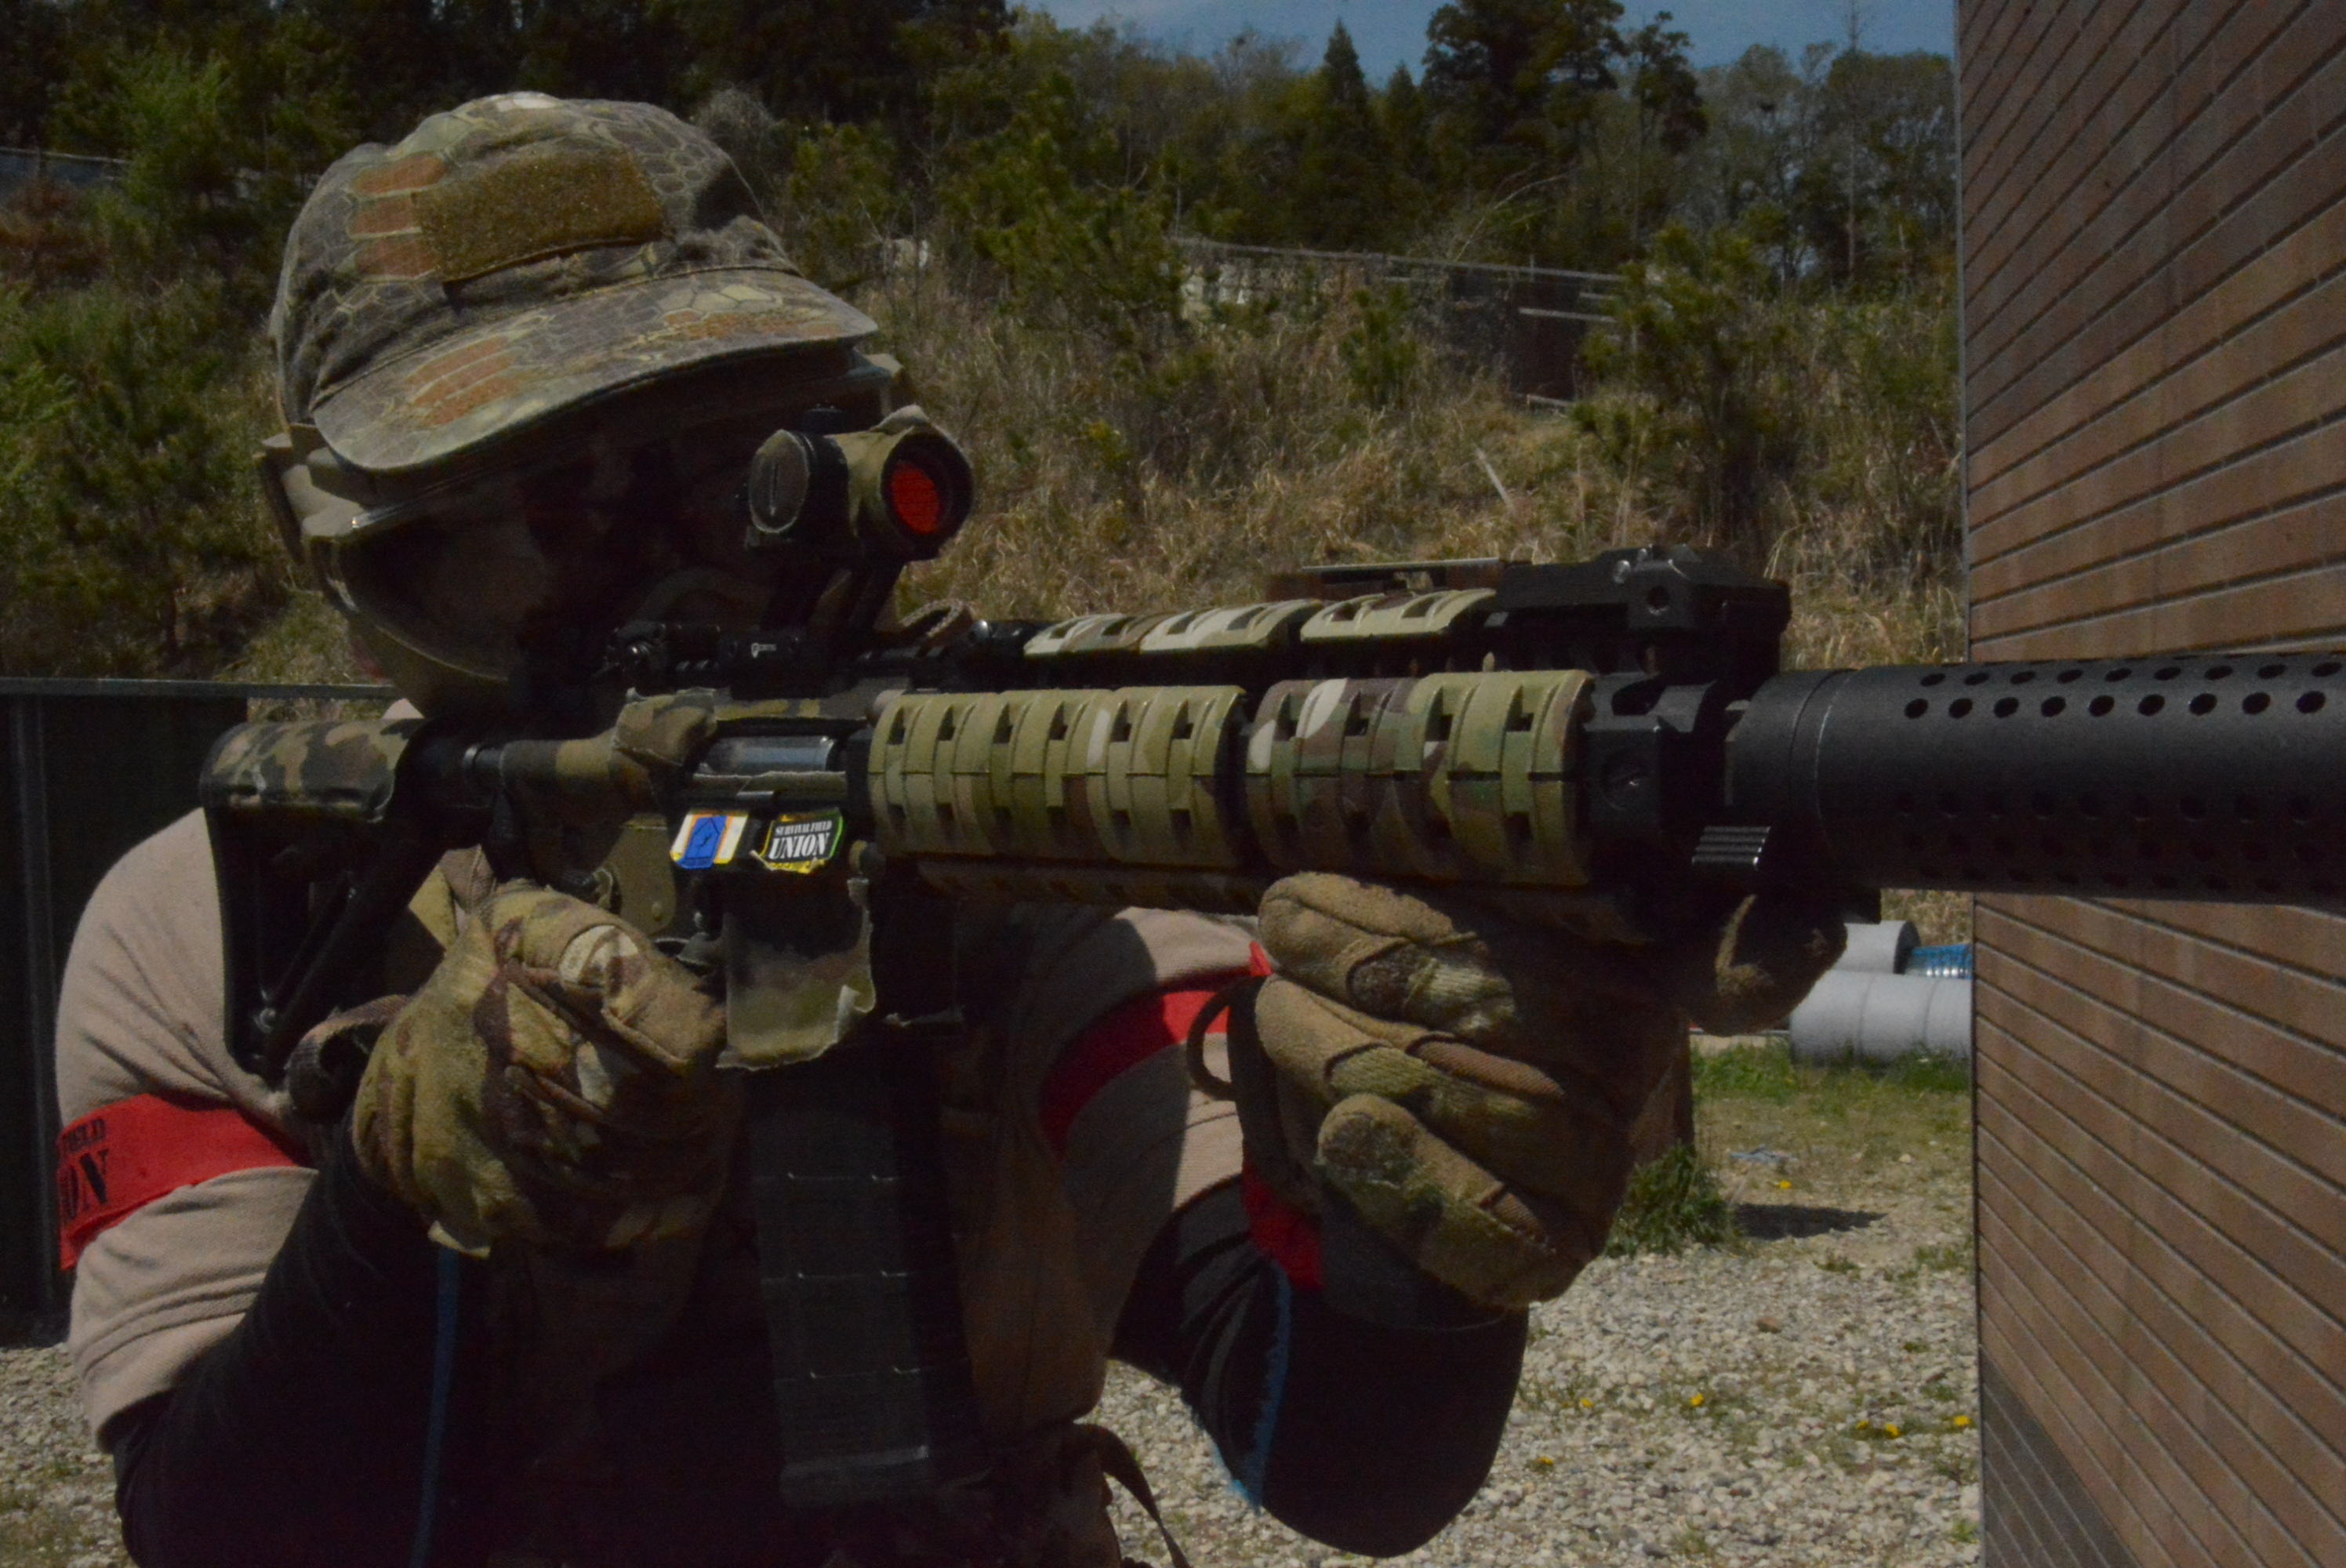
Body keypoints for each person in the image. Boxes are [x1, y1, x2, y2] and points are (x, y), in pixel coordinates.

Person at [50, 95, 1841, 1568]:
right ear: (354, 554)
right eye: (556, 509)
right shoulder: (228, 916)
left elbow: (1347, 1460)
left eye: (736, 470)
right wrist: (397, 1187)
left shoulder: (995, 865)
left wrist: (1417, 1220)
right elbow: (216, 1526)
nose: (686, 580)